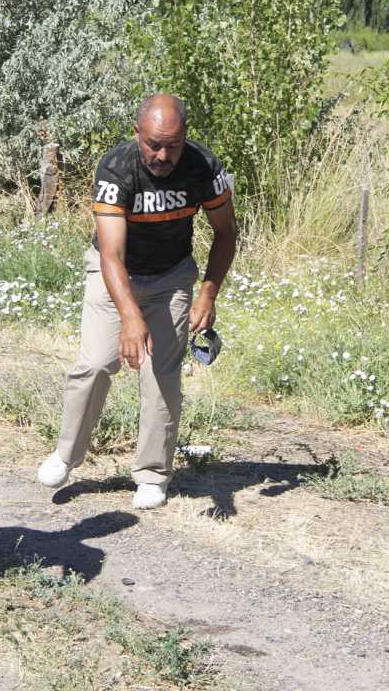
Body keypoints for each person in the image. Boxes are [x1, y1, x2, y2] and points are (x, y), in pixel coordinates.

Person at [37, 93, 238, 510]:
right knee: (95, 364)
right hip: (116, 272)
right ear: (136, 134)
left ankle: (152, 474)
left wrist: (208, 291)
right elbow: (111, 254)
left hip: (172, 276)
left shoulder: (204, 167)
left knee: (161, 374)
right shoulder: (116, 168)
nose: (163, 155)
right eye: (153, 144)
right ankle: (66, 455)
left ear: (185, 138)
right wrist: (130, 316)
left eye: (173, 145)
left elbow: (226, 232)